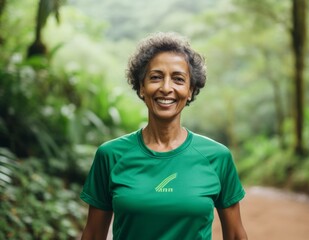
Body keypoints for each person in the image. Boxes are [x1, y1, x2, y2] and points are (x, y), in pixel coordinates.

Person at [80, 32, 248, 240]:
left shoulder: (217, 157)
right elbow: (94, 234)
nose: (166, 88)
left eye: (178, 79)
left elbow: (234, 234)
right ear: (142, 87)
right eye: (156, 77)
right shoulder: (111, 155)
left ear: (190, 90)